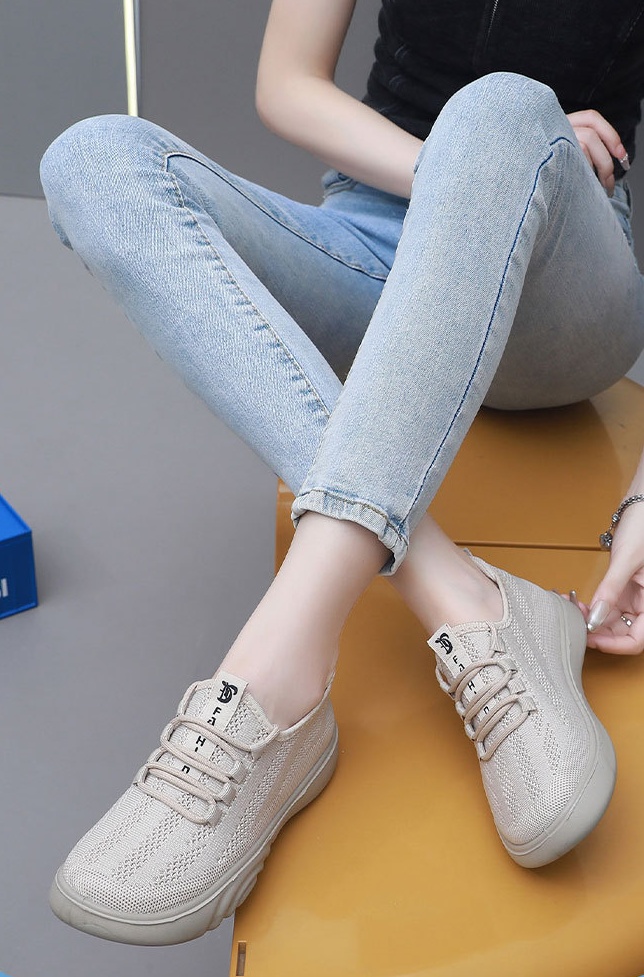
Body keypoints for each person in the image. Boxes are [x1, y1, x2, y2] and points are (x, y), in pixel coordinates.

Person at [39, 0, 644, 948]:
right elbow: (286, 84)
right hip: (372, 246)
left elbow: (498, 130)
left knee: (499, 108)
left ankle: (270, 683)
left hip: (558, 289)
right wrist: (451, 171)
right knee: (91, 160)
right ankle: (472, 602)